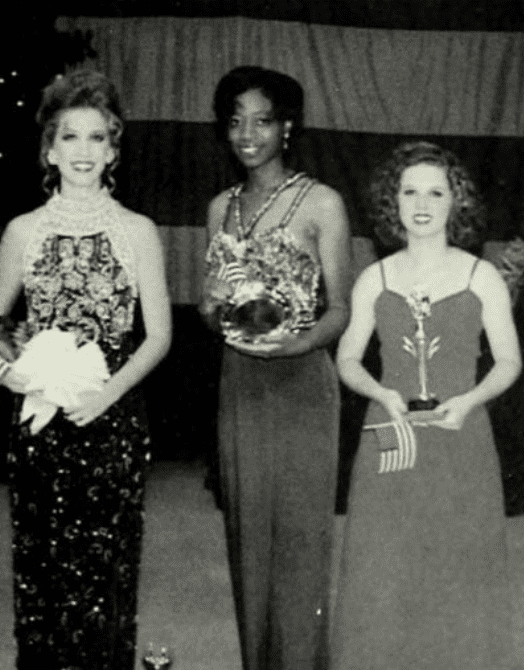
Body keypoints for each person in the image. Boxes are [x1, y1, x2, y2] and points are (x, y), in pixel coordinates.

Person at [0, 69, 171, 670]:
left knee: (105, 570)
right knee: (42, 565)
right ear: (50, 150)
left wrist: (107, 396)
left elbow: (159, 336)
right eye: (70, 137)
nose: (84, 151)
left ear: (113, 150)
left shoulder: (138, 231)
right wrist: (14, 373)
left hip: (111, 415)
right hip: (40, 419)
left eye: (97, 137)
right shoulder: (23, 232)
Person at [332, 141, 522, 669]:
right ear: (392, 202)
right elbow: (347, 359)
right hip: (390, 433)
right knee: (384, 570)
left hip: (463, 434)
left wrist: (470, 400)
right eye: (409, 191)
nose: (421, 204)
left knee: (458, 569)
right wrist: (380, 393)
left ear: (455, 201)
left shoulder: (480, 277)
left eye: (435, 193)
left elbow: (509, 361)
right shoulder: (375, 278)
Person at [200, 65, 352, 670]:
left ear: (287, 127)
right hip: (239, 384)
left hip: (303, 382)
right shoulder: (221, 208)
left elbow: (340, 310)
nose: (247, 134)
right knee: (247, 542)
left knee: (300, 544)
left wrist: (297, 343)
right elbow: (211, 309)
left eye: (262, 121)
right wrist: (216, 310)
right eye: (235, 121)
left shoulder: (321, 202)